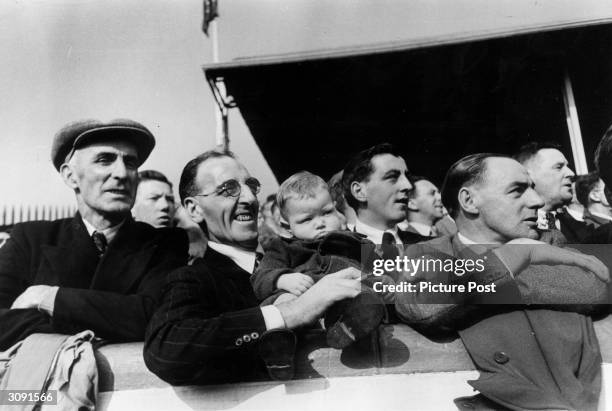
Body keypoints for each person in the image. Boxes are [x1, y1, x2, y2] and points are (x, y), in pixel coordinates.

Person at [395, 153, 609, 410]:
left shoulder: (550, 240)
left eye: (532, 187)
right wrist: (514, 260)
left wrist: (499, 272)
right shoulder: (427, 253)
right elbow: (420, 306)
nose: (537, 200)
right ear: (469, 201)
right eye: (517, 191)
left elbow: (595, 287)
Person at [144, 151, 363, 385]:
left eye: (251, 186)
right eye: (228, 189)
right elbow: (166, 349)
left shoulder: (298, 249)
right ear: (195, 209)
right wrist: (292, 312)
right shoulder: (193, 278)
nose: (249, 198)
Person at [0, 119, 188, 350]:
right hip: (41, 387)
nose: (122, 173)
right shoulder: (31, 239)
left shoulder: (165, 243)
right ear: (70, 176)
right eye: (104, 160)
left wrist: (49, 298)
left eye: (130, 162)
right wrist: (110, 320)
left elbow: (157, 316)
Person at [251, 171, 384, 348]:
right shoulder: (283, 247)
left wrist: (383, 282)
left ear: (336, 209)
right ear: (287, 226)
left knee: (365, 297)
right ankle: (279, 346)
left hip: (343, 302)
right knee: (283, 301)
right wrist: (281, 279)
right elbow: (259, 278)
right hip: (300, 305)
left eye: (327, 212)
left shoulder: (356, 242)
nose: (320, 223)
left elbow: (382, 269)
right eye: (307, 219)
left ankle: (346, 329)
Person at [343, 143, 428, 246]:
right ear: (359, 191)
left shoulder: (431, 247)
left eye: (407, 177)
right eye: (392, 177)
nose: (408, 186)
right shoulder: (338, 253)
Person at [515, 142, 589, 243]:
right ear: (528, 175)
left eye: (568, 166)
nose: (571, 173)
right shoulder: (512, 233)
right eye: (558, 167)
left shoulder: (584, 230)